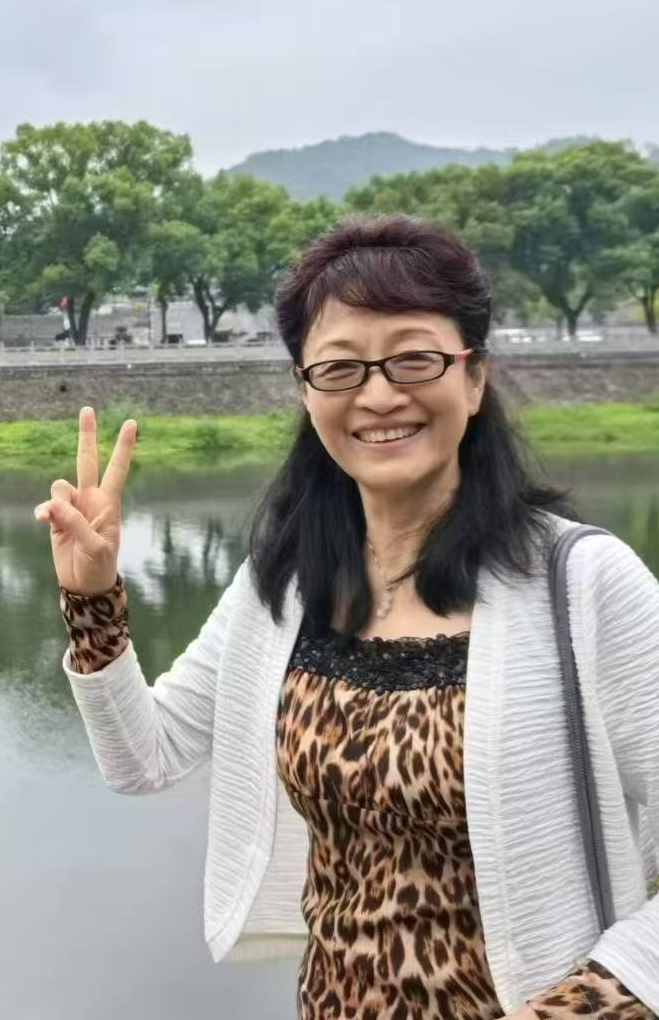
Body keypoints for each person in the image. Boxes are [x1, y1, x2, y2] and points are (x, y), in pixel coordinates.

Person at [35, 215, 659, 1020]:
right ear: (306, 389)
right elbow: (143, 759)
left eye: (414, 358)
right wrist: (92, 602)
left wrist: (575, 1008)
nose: (378, 394)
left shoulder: (581, 582)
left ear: (473, 378)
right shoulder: (286, 583)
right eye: (339, 368)